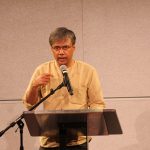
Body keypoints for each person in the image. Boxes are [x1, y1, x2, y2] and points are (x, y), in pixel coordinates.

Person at [23, 27, 105, 150]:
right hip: (50, 142)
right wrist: (34, 86)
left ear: (73, 48)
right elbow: (30, 105)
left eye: (65, 47)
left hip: (78, 142)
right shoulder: (42, 70)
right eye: (57, 48)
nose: (61, 52)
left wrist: (90, 126)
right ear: (51, 49)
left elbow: (97, 104)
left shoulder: (88, 71)